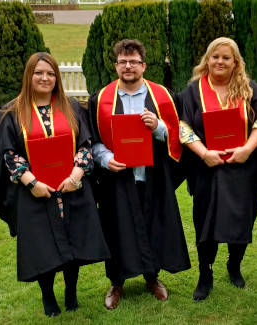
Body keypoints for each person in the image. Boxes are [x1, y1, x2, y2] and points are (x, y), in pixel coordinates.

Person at [0, 52, 109, 317]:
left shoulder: (72, 107)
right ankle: (48, 296)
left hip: (71, 189)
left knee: (74, 244)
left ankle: (71, 291)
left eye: (51, 73)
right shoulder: (12, 113)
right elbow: (9, 154)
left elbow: (85, 144)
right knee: (43, 248)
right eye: (39, 73)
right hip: (36, 193)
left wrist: (76, 177)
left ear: (57, 77)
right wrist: (32, 183)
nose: (45, 78)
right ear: (29, 76)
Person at [88, 39, 190, 309]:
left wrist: (158, 126)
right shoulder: (101, 100)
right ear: (116, 65)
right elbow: (93, 140)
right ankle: (117, 282)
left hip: (152, 176)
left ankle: (152, 277)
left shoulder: (162, 97)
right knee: (116, 227)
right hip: (117, 178)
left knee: (153, 225)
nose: (128, 66)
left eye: (133, 62)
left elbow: (178, 136)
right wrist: (105, 158)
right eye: (123, 61)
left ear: (143, 65)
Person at [179, 37, 257, 301]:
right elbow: (184, 127)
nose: (220, 61)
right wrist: (204, 153)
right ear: (207, 59)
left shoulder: (250, 88)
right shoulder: (193, 91)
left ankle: (234, 265)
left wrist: (247, 150)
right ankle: (205, 274)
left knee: (241, 219)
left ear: (236, 62)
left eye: (226, 57)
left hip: (243, 166)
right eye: (215, 56)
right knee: (205, 222)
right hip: (208, 166)